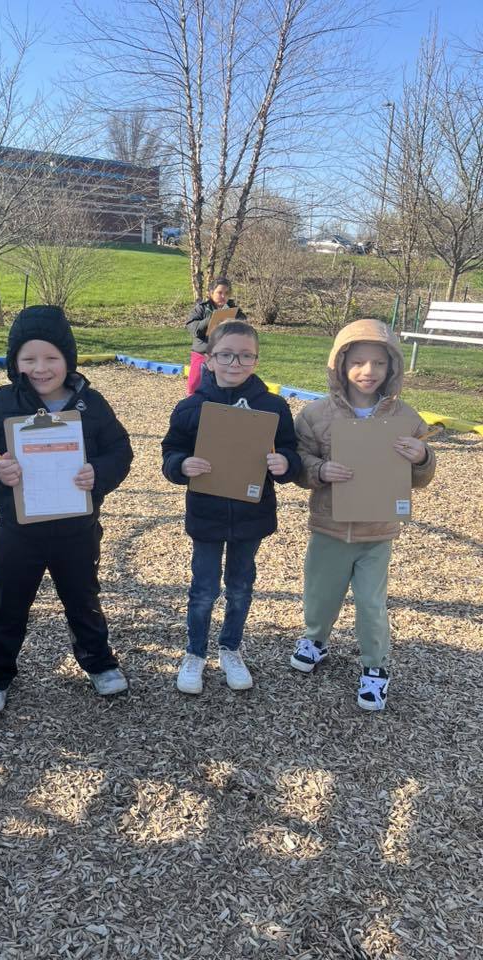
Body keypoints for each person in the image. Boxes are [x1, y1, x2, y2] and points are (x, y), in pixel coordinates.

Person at [0, 305, 134, 715]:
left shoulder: (91, 403)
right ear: (15, 362)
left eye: (51, 357)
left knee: (83, 598)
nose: (41, 368)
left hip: (76, 528)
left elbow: (120, 449)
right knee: (8, 603)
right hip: (18, 530)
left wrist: (99, 473)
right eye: (29, 358)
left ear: (68, 360)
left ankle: (98, 661)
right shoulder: (3, 402)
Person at [291, 318, 436, 711]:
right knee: (320, 593)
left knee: (371, 604)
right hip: (329, 524)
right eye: (357, 362)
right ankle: (315, 639)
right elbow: (299, 461)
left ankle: (375, 667)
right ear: (340, 365)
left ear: (392, 367)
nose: (368, 372)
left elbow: (421, 474)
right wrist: (320, 471)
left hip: (377, 530)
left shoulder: (405, 416)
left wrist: (421, 456)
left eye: (378, 363)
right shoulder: (316, 414)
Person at [162, 319, 302, 694]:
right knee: (203, 589)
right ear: (208, 359)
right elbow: (171, 450)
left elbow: (291, 451)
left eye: (245, 356)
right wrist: (181, 465)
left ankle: (230, 648)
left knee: (240, 586)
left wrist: (285, 464)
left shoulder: (272, 406)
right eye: (225, 355)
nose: (234, 363)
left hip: (250, 515)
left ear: (256, 360)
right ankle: (194, 653)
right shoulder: (191, 407)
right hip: (206, 513)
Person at [185, 277, 245, 396]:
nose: (223, 296)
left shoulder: (234, 310)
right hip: (202, 353)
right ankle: (191, 409)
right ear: (211, 293)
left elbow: (244, 325)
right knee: (194, 387)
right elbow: (194, 329)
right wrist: (212, 318)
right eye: (220, 292)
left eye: (226, 293)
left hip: (225, 355)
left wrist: (234, 321)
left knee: (221, 388)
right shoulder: (201, 308)